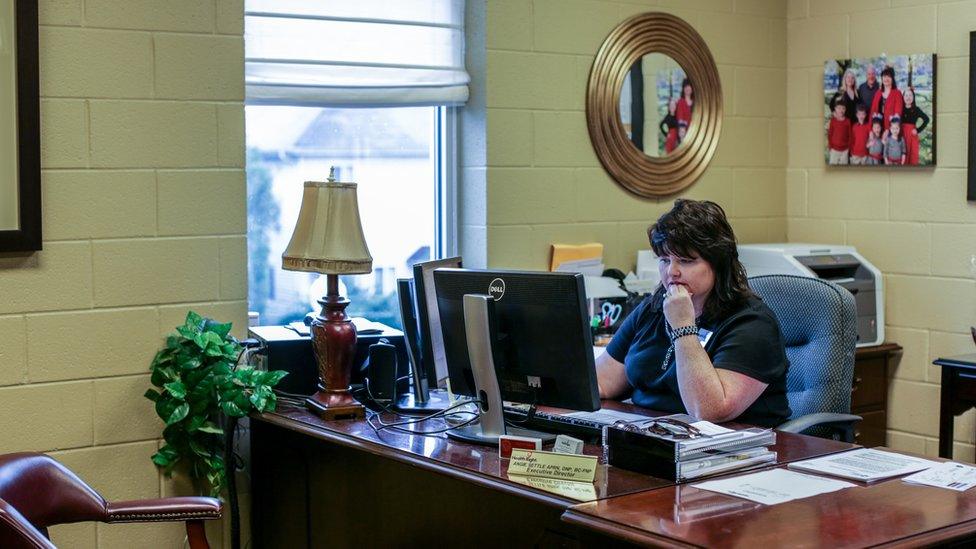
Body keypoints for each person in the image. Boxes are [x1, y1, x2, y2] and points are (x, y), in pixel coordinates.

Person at [596, 199, 791, 428]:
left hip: (731, 448)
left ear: (718, 264)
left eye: (686, 261)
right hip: (653, 436)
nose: (672, 272)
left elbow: (708, 411)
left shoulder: (752, 323)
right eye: (665, 260)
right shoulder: (653, 308)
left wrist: (683, 328)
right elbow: (603, 382)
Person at [900, 87, 929, 165]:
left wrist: (917, 130)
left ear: (913, 97)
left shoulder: (916, 109)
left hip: (912, 135)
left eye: (910, 95)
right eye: (906, 95)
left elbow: (926, 119)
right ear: (903, 97)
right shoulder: (900, 108)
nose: (908, 98)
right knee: (903, 155)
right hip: (902, 135)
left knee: (912, 156)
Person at [870, 65, 903, 132]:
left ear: (892, 79)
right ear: (882, 78)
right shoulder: (878, 93)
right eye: (884, 76)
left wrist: (888, 130)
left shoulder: (897, 93)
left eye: (889, 77)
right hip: (877, 128)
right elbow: (872, 112)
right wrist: (871, 130)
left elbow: (897, 113)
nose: (886, 79)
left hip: (892, 129)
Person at [827, 98, 851, 165]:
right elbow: (830, 134)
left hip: (845, 150)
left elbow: (850, 135)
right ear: (835, 109)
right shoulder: (833, 121)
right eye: (839, 108)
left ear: (845, 109)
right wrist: (830, 147)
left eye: (843, 108)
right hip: (834, 149)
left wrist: (849, 147)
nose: (841, 110)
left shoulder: (847, 121)